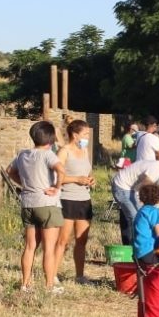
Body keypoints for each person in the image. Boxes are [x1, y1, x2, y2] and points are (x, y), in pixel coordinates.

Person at [7, 120, 67, 293]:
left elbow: (10, 171)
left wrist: (24, 185)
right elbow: (61, 170)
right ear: (51, 140)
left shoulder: (23, 155)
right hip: (47, 204)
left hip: (28, 204)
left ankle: (25, 284)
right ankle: (49, 285)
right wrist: (57, 188)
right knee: (49, 249)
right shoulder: (48, 155)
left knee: (30, 246)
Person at [57, 120, 96, 285]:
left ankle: (80, 275)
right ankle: (53, 274)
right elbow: (56, 178)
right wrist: (76, 179)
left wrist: (91, 179)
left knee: (82, 240)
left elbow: (87, 171)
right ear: (75, 135)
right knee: (62, 240)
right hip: (67, 199)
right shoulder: (64, 151)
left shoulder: (85, 150)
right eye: (85, 134)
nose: (88, 136)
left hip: (84, 199)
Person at [110, 158, 159, 245]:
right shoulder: (153, 170)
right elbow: (146, 187)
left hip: (132, 189)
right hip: (123, 187)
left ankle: (140, 244)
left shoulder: (154, 170)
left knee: (140, 216)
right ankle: (132, 246)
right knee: (134, 217)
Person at [132, 184, 159, 266]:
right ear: (158, 199)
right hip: (148, 251)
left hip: (137, 252)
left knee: (142, 273)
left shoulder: (141, 211)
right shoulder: (154, 211)